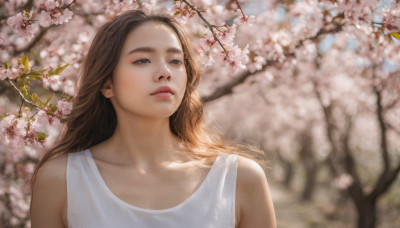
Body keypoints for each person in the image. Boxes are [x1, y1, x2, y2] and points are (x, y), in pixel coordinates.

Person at [30, 9, 276, 228]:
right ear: (107, 83)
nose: (164, 73)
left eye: (176, 61)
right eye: (143, 60)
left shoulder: (238, 179)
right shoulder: (62, 180)